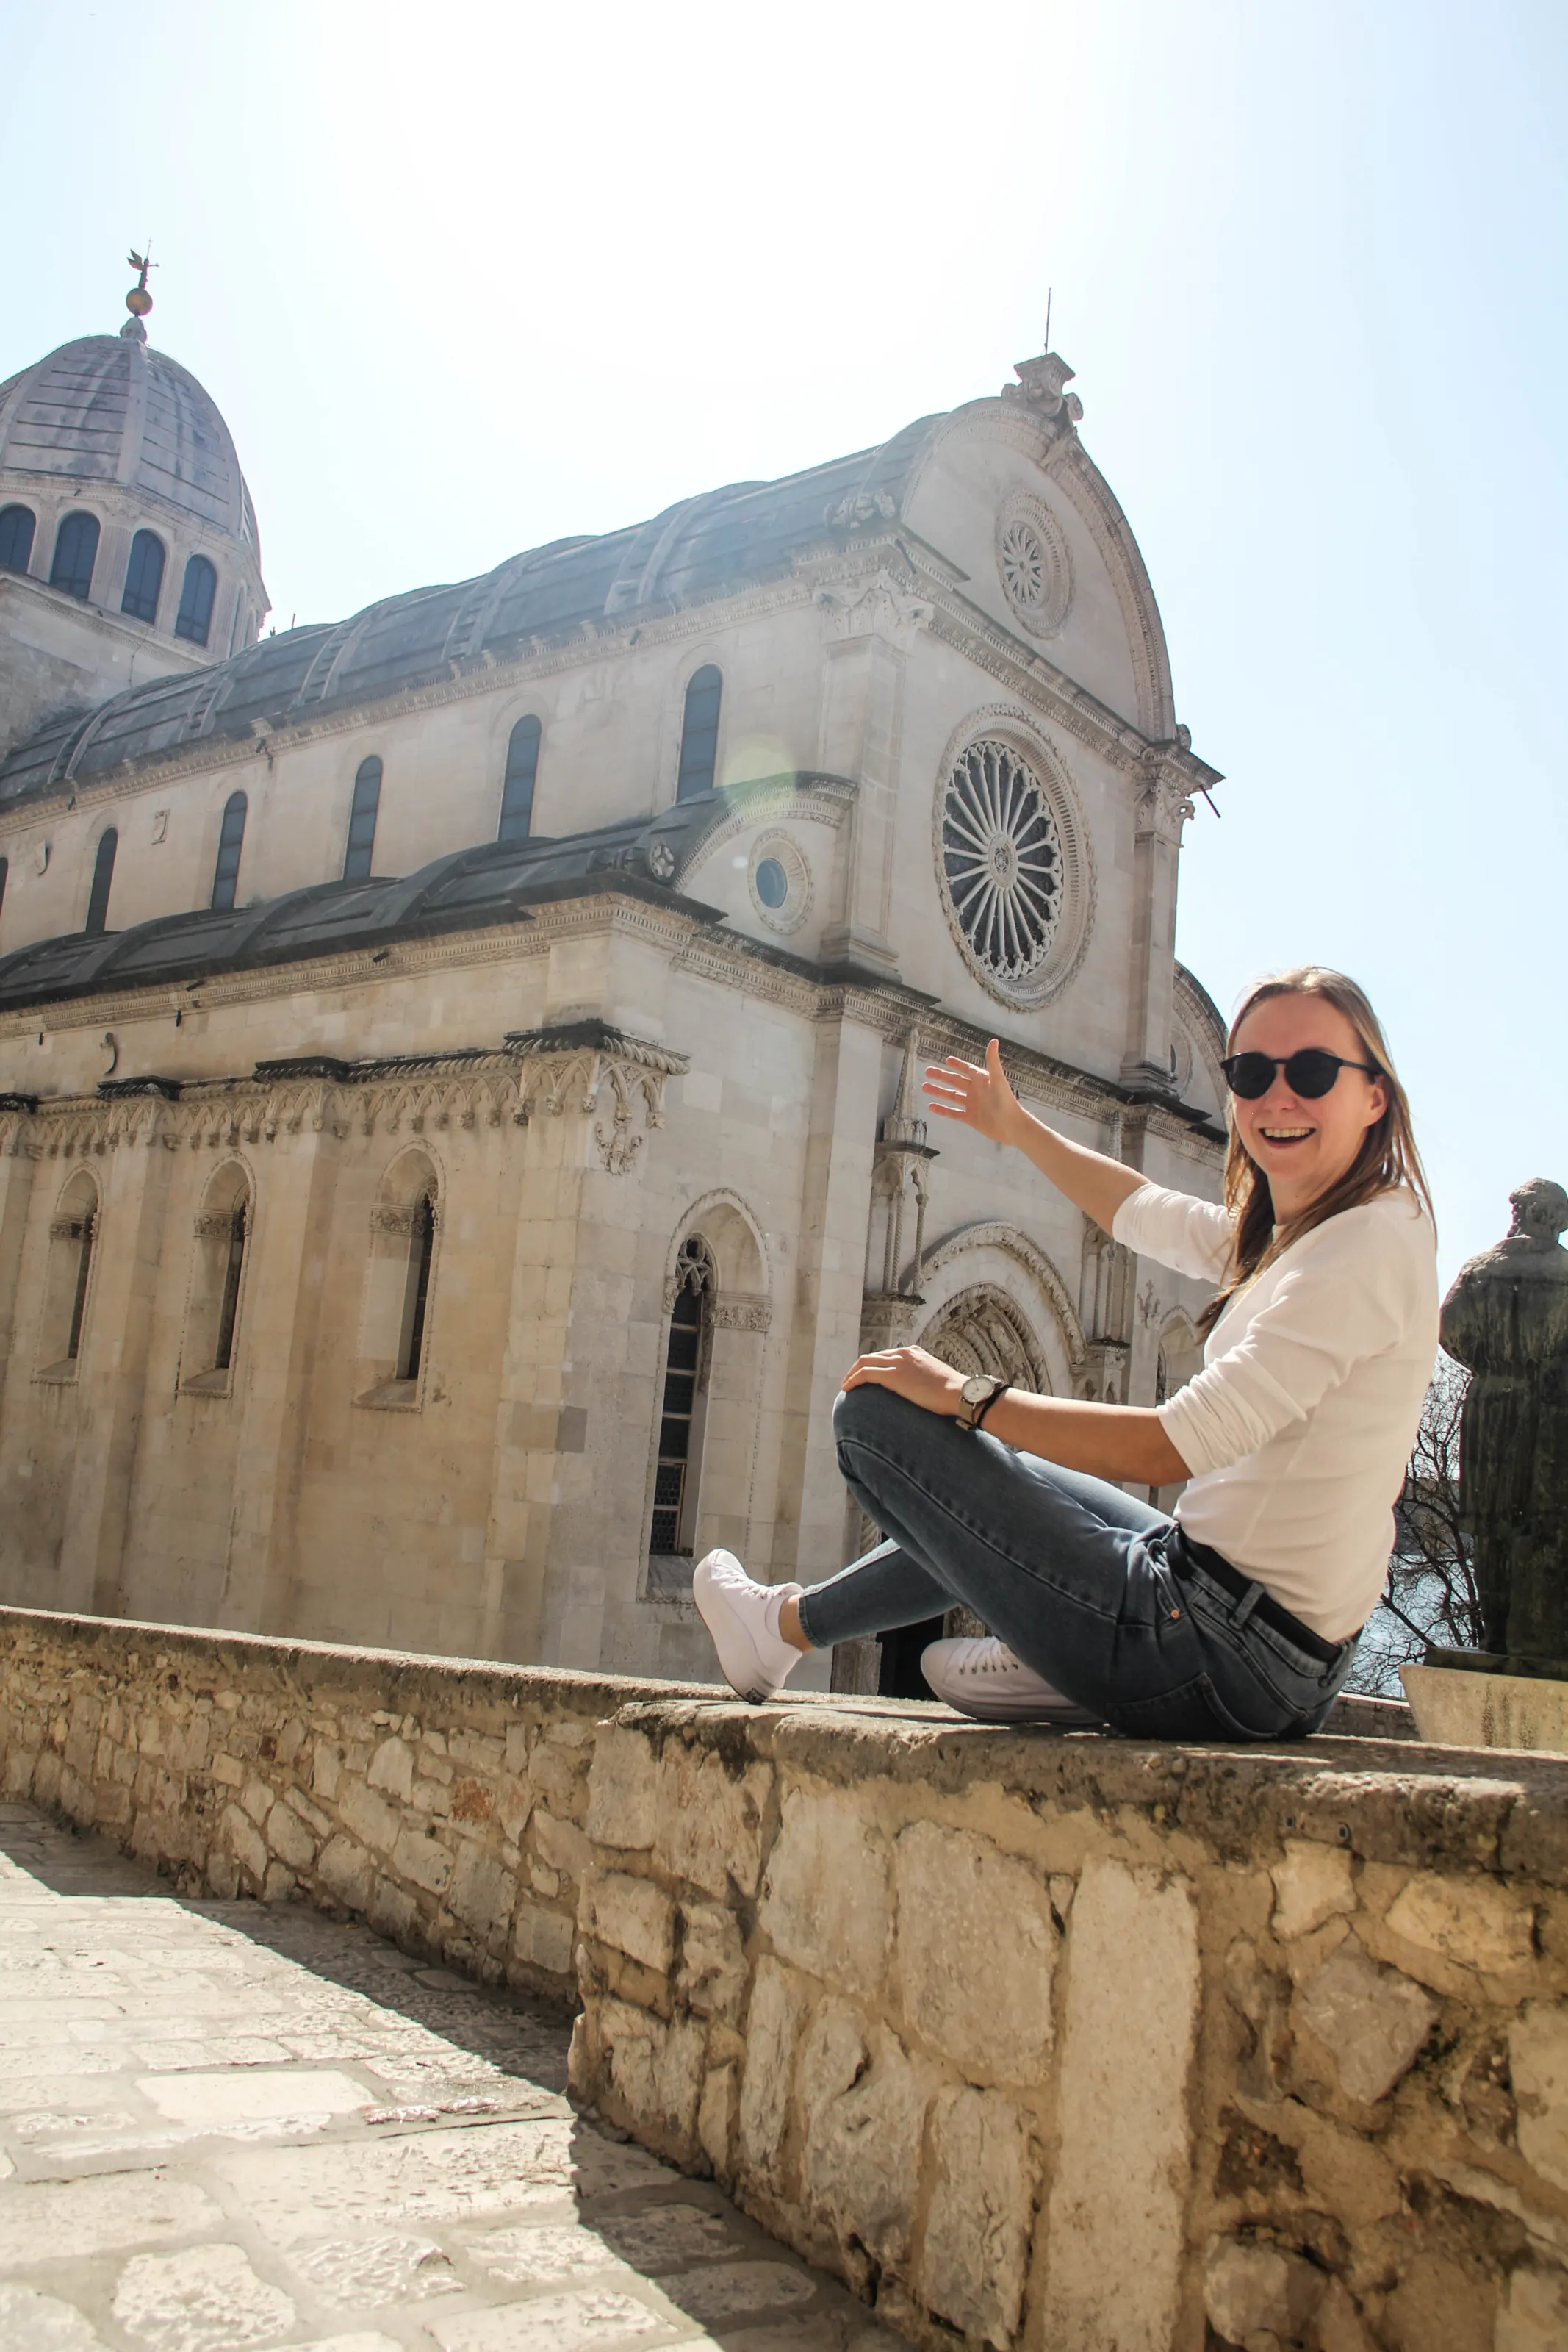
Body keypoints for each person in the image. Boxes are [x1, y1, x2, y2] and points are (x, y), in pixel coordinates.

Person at [693, 967, 1439, 1740]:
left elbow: (1168, 1444)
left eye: (1312, 1071)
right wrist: (1016, 1128)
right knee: (1006, 1484)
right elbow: (1145, 1213)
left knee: (874, 1416)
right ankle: (782, 1629)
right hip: (1261, 1645)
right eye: (1250, 1072)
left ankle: (1075, 1658)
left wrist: (967, 1394)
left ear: (1375, 1094)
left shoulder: (1360, 1247)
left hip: (1210, 1648)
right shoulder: (1324, 1228)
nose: (1276, 1096)